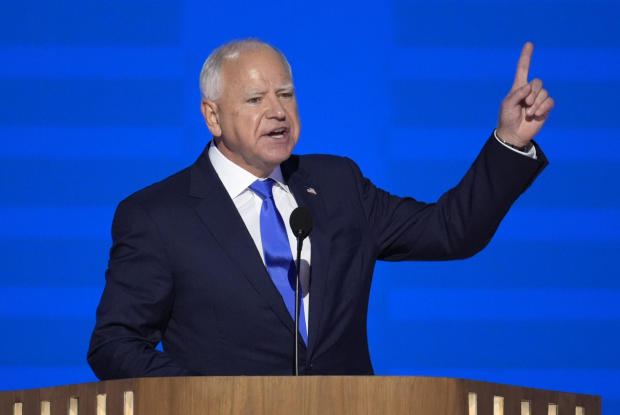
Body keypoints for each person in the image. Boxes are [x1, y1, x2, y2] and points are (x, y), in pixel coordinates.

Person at [87, 39, 553, 379]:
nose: (278, 112)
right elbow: (115, 343)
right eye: (255, 100)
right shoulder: (158, 215)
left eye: (286, 94)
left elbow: (453, 231)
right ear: (212, 116)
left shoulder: (336, 185)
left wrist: (509, 142)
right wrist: (205, 399)